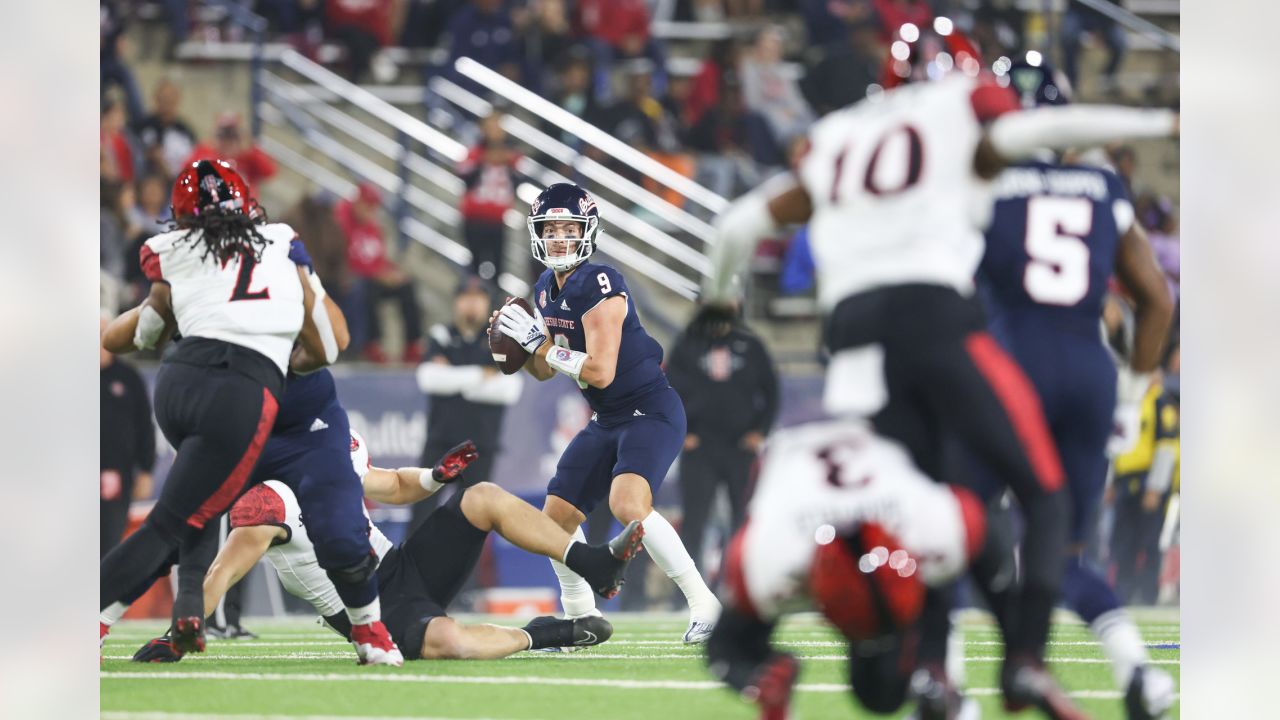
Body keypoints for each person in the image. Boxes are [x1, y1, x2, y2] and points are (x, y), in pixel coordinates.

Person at [702, 59, 1179, 715]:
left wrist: (717, 307)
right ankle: (1024, 659)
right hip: (951, 327)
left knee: (920, 504)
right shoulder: (969, 123)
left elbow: (735, 229)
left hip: (855, 343)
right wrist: (1162, 119)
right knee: (1035, 502)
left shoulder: (838, 134)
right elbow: (1035, 139)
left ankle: (930, 670)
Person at [977, 60, 1176, 718]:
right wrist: (1132, 395)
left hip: (1010, 366)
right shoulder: (1101, 183)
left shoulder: (984, 178)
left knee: (959, 533)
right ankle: (1141, 674)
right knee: (1062, 551)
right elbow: (1158, 301)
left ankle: (944, 691)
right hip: (1089, 372)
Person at [100, 159, 343, 657]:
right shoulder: (279, 241)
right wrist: (293, 360)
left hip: (178, 381)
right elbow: (332, 342)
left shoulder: (173, 248)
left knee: (200, 503)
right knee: (170, 522)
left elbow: (141, 335)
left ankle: (189, 602)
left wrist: (148, 314)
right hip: (239, 386)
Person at [123, 431, 644, 662]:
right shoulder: (268, 501)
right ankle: (550, 632)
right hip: (370, 608)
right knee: (452, 644)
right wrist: (178, 633)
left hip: (402, 563)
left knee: (481, 496)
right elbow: (220, 573)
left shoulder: (330, 445)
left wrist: (435, 477)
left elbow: (389, 484)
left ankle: (593, 563)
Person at [493, 183, 721, 643]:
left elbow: (599, 370)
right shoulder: (543, 288)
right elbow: (542, 370)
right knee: (553, 516)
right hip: (608, 419)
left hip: (650, 411)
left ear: (587, 232)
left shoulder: (601, 283)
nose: (558, 237)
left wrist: (542, 346)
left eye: (568, 228)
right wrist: (523, 346)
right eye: (550, 229)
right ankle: (580, 615)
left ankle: (705, 604)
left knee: (628, 505)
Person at [705, 420, 988, 719]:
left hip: (873, 441)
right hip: (813, 452)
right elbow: (726, 645)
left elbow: (723, 651)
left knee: (887, 688)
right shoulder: (771, 557)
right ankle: (940, 685)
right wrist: (763, 683)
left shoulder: (931, 528)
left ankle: (940, 684)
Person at [666, 301, 779, 575]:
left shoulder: (751, 344)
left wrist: (760, 431)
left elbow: (772, 390)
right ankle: (687, 588)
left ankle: (743, 583)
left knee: (744, 518)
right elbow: (666, 390)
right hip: (700, 447)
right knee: (695, 519)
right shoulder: (687, 343)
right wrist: (683, 431)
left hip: (740, 447)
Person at [413, 276, 521, 529]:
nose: (471, 304)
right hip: (440, 441)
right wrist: (480, 376)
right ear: (455, 302)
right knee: (421, 514)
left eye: (478, 298)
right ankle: (411, 569)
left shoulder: (501, 339)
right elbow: (429, 379)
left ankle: (467, 572)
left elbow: (508, 389)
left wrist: (453, 377)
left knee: (472, 522)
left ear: (487, 303)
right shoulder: (441, 335)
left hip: (480, 446)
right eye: (465, 297)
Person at [334, 182, 425, 363]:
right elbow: (344, 261)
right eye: (367, 205)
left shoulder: (373, 226)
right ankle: (371, 343)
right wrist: (378, 275)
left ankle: (412, 344)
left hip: (374, 276)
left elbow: (377, 259)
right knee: (368, 288)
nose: (370, 211)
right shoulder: (340, 222)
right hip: (351, 281)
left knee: (407, 285)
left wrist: (392, 273)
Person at [100, 313, 155, 555]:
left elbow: (145, 424)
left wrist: (145, 470)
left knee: (110, 543)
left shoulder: (128, 377)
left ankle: (102, 592)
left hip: (116, 478)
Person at [459, 111, 523, 282]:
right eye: (490, 126)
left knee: (498, 268)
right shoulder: (475, 152)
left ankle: (495, 303)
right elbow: (463, 172)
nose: (495, 130)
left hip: (497, 220)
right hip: (474, 218)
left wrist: (507, 161)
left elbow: (520, 178)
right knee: (474, 266)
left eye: (498, 126)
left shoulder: (512, 155)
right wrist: (482, 160)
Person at [185, 113, 278, 188]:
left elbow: (269, 172)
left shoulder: (249, 158)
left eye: (233, 136)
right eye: (223, 135)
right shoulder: (205, 151)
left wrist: (250, 146)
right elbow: (186, 172)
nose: (228, 141)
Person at [133, 78, 198, 179]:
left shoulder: (185, 132)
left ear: (177, 100)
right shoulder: (141, 126)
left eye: (170, 98)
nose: (167, 102)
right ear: (156, 98)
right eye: (163, 98)